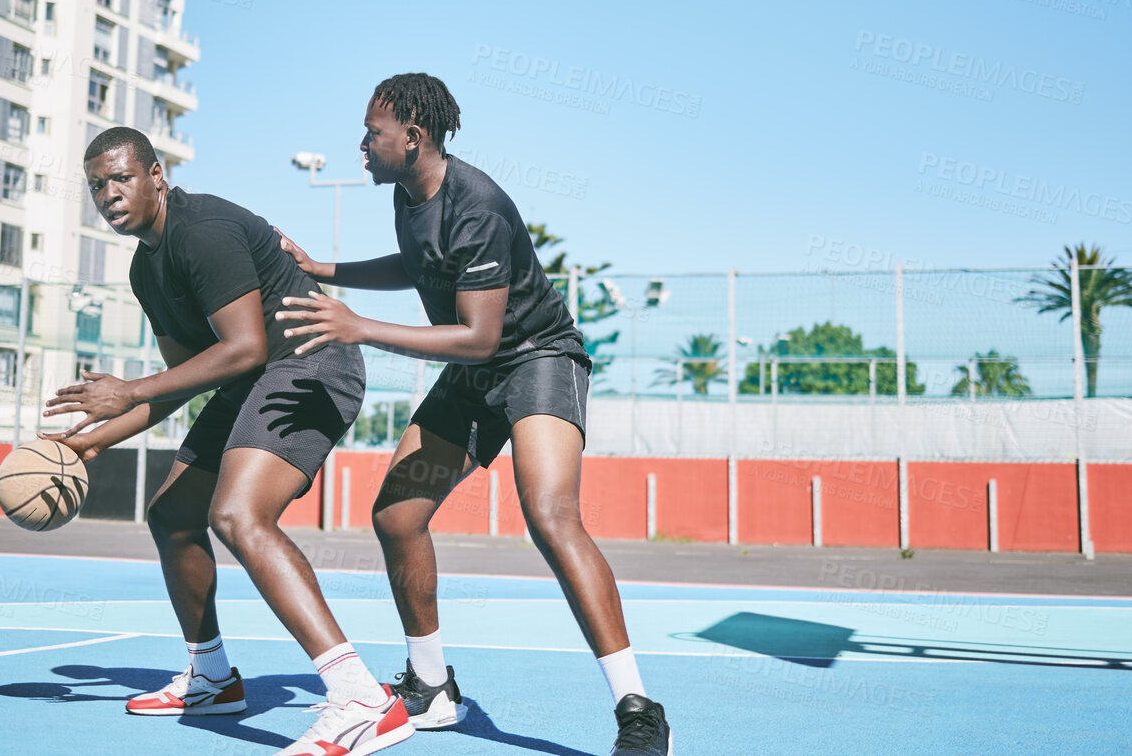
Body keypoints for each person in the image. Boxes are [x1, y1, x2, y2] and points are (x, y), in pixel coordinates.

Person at [273, 74, 673, 756]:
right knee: (397, 514)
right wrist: (324, 268)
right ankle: (430, 686)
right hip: (471, 372)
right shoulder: (407, 194)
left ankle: (637, 706)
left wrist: (356, 326)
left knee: (550, 515)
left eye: (372, 133)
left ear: (413, 136)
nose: (361, 145)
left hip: (534, 358)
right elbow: (417, 262)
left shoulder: (477, 202)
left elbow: (481, 336)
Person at [45, 126, 413, 756]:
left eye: (121, 178)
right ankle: (211, 676)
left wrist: (129, 391)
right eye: (97, 186)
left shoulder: (201, 231)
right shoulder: (146, 269)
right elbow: (179, 383)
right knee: (173, 514)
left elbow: (242, 345)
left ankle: (359, 697)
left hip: (310, 363)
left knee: (239, 514)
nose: (108, 194)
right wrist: (92, 443)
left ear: (156, 175)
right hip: (255, 374)